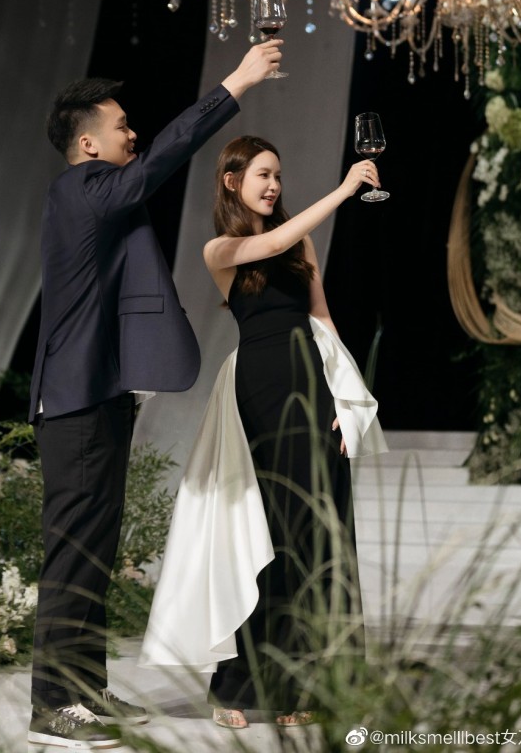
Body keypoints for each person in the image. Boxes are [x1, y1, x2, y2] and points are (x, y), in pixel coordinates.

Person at [27, 44, 283, 751]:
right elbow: (166, 154)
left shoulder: (96, 194)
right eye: (120, 126)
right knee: (73, 556)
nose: (132, 133)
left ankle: (84, 689)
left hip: (99, 397)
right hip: (76, 403)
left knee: (95, 554)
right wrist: (235, 84)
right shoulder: (82, 189)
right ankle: (52, 706)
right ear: (88, 144)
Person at [139, 135, 388, 728]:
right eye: (263, 175)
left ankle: (309, 685)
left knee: (319, 535)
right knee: (267, 534)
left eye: (278, 175)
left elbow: (322, 318)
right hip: (261, 392)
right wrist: (345, 189)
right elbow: (269, 244)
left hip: (312, 385)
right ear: (232, 182)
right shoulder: (219, 248)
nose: (274, 185)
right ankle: (237, 685)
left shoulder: (300, 240)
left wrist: (346, 401)